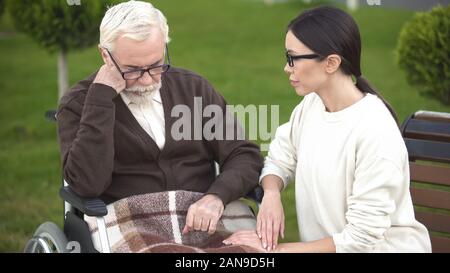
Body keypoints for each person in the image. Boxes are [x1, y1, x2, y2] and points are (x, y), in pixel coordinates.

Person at [223, 6, 431, 252]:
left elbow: (360, 239)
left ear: (331, 63)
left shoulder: (375, 132)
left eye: (293, 58)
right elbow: (281, 156)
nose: (287, 68)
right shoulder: (312, 105)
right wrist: (271, 194)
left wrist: (275, 250)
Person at [57, 0, 263, 236]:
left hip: (204, 215)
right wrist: (101, 100)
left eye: (156, 65)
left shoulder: (193, 89)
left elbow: (244, 155)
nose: (147, 80)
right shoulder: (79, 104)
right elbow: (86, 184)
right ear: (105, 55)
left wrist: (216, 196)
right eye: (132, 69)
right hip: (131, 223)